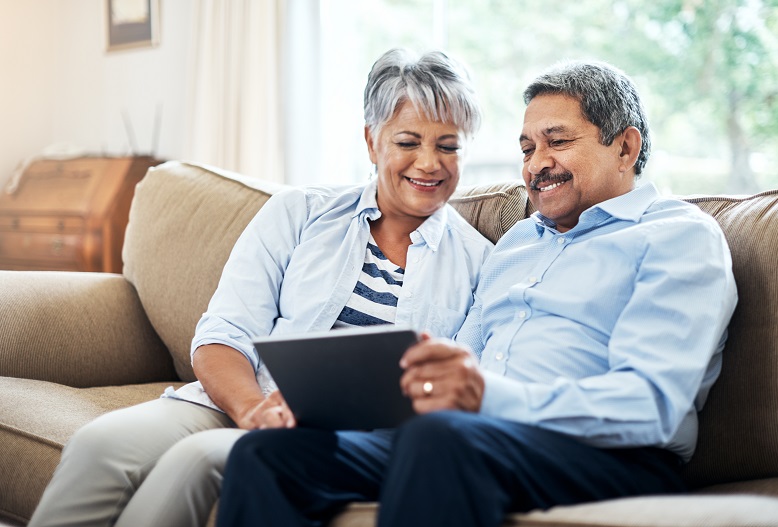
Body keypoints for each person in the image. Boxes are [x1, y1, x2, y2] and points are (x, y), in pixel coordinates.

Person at [214, 60, 738, 527]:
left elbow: (651, 405)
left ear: (625, 147)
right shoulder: (516, 243)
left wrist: (487, 397)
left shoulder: (677, 236)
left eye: (557, 142)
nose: (536, 165)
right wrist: (340, 400)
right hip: (471, 438)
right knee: (270, 453)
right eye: (527, 148)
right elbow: (461, 355)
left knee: (439, 439)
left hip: (608, 455)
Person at [28, 48, 490, 527]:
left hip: (320, 441)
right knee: (99, 444)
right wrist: (250, 407)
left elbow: (458, 393)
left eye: (449, 146)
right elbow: (222, 332)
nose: (429, 163)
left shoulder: (479, 264)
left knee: (199, 461)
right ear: (372, 142)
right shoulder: (299, 212)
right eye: (408, 141)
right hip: (235, 402)